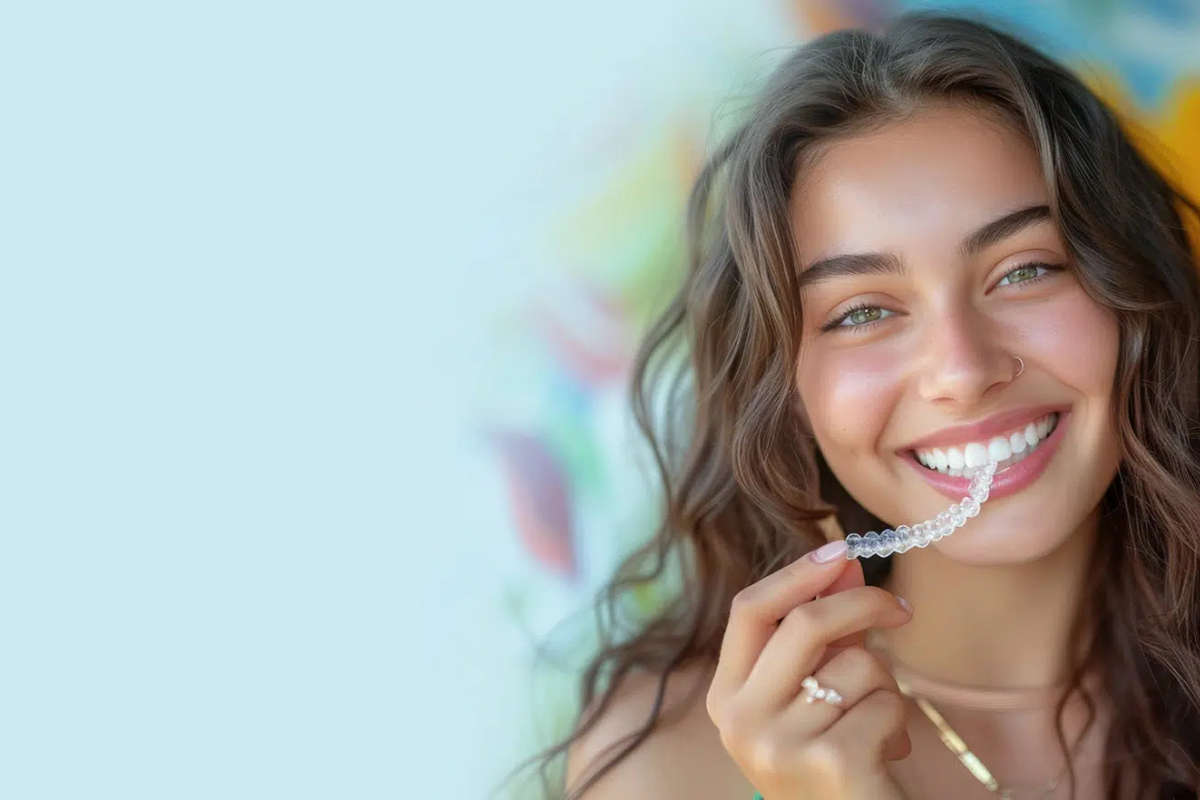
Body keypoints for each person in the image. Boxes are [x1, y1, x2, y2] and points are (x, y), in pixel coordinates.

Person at [505, 11, 1200, 800]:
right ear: (786, 392)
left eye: (1025, 270)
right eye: (863, 312)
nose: (963, 371)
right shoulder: (666, 768)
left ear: (1136, 295)